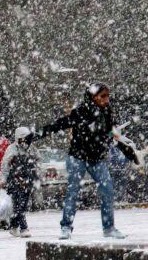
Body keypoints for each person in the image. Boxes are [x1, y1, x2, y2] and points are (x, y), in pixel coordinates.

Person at [38, 83, 140, 240]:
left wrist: (128, 151)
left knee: (107, 190)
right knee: (73, 192)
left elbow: (114, 134)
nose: (106, 99)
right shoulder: (80, 112)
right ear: (93, 97)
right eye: (102, 96)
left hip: (97, 159)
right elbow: (59, 125)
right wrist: (36, 134)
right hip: (77, 157)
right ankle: (66, 227)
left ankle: (109, 228)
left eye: (107, 96)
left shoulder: (107, 112)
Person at [0, 127, 40, 238]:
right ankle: (24, 228)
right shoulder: (11, 149)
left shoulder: (32, 148)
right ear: (18, 139)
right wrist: (3, 179)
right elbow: (5, 166)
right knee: (18, 204)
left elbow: (38, 161)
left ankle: (13, 226)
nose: (24, 141)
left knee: (23, 205)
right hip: (14, 181)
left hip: (27, 181)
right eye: (22, 139)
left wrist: (37, 176)